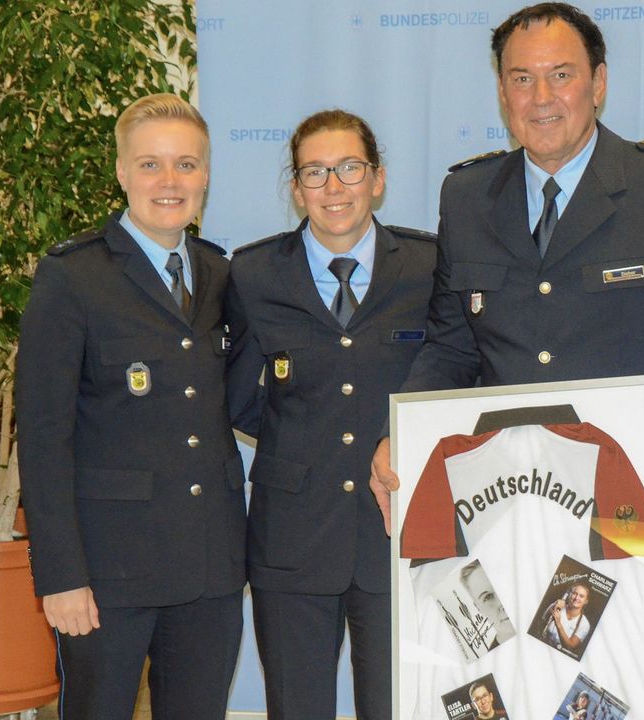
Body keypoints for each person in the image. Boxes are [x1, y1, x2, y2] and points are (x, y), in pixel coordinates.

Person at [369, 5, 644, 716]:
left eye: (561, 76)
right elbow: (452, 345)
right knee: (510, 696)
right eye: (521, 79)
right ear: (501, 91)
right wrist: (406, 437)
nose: (540, 98)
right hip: (503, 515)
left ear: (599, 83)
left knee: (637, 697)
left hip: (639, 506)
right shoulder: (467, 195)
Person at [16, 93, 245, 719]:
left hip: (208, 568)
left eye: (187, 164)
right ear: (121, 173)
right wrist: (61, 574)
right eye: (151, 165)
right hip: (107, 573)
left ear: (205, 174)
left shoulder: (222, 274)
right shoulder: (72, 276)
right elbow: (42, 436)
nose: (170, 182)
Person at [225, 109, 436, 720]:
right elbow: (237, 396)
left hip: (402, 533)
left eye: (349, 168)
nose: (334, 187)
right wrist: (305, 442)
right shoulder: (254, 273)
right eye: (314, 173)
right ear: (296, 190)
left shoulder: (428, 267)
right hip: (291, 539)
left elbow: (453, 374)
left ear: (378, 179)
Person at [542, 582, 592, 652]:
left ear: (586, 601)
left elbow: (569, 647)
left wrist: (558, 624)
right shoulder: (557, 606)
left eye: (581, 596)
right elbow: (542, 620)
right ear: (569, 594)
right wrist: (554, 605)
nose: (577, 598)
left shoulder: (585, 624)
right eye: (574, 593)